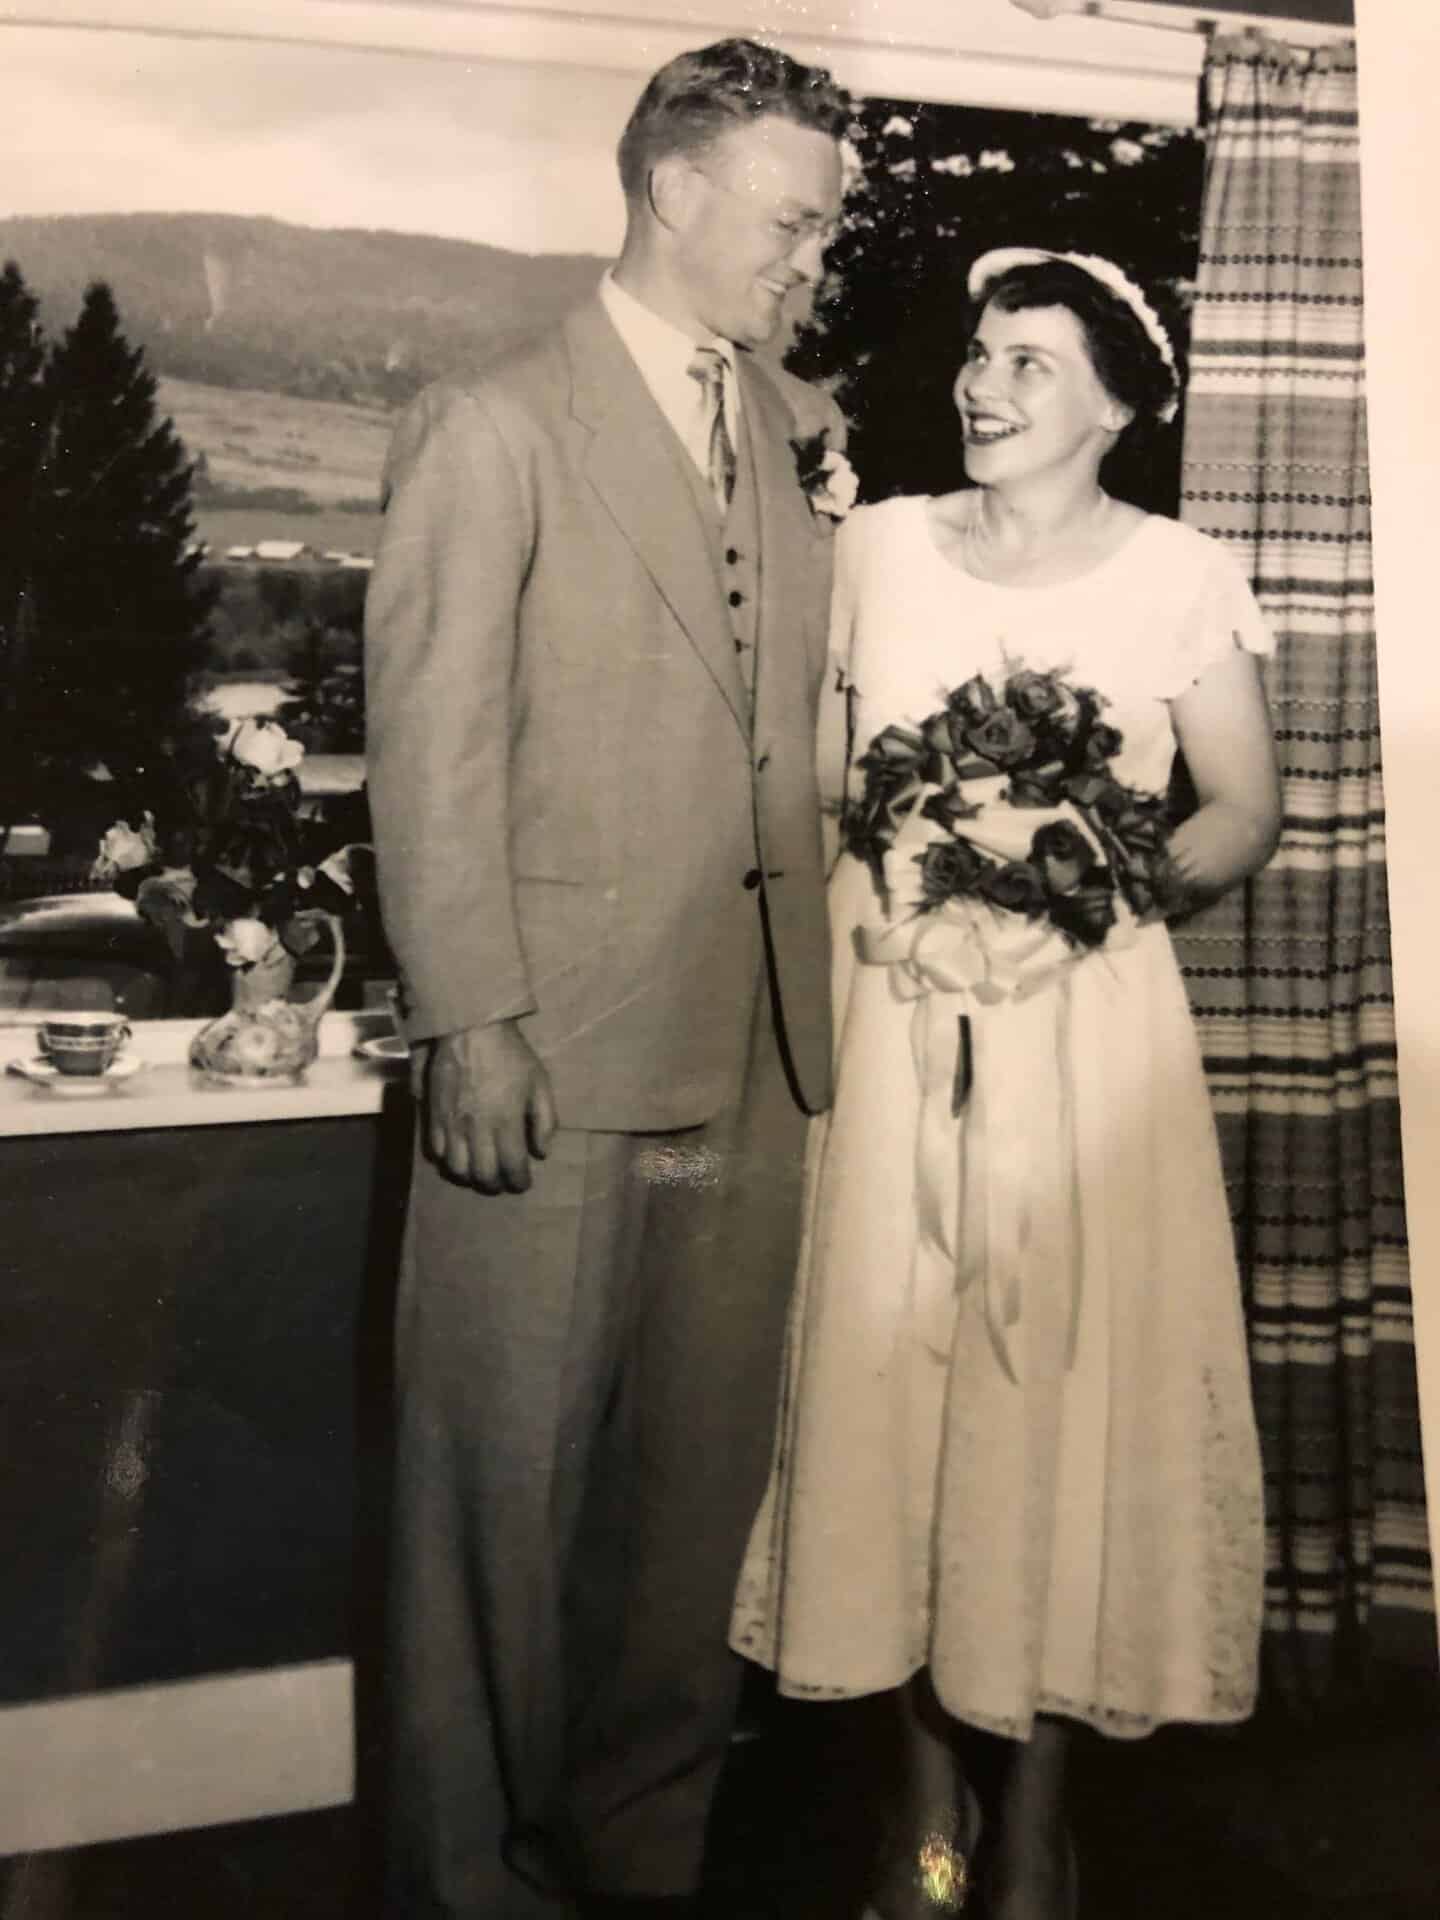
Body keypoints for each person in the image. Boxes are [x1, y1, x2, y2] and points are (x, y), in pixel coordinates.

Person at [730, 249, 1282, 1920]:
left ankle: (1035, 1815)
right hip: (891, 1026)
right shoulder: (880, 548)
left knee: (1056, 1400)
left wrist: (1083, 889)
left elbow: (1240, 807)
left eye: (1031, 363)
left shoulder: (1180, 571)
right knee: (895, 1391)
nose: (985, 385)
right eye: (981, 356)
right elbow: (814, 787)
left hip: (1083, 1037)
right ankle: (924, 1806)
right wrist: (911, 865)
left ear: (1118, 402)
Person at [363, 36, 852, 1920]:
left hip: (760, 1068)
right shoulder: (491, 425)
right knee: (491, 1516)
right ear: (673, 193)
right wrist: (470, 1017)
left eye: (826, 227)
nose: (813, 258)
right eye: (793, 221)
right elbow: (432, 749)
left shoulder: (807, 430)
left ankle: (638, 1870)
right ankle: (470, 1893)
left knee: (686, 1524)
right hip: (551, 1059)